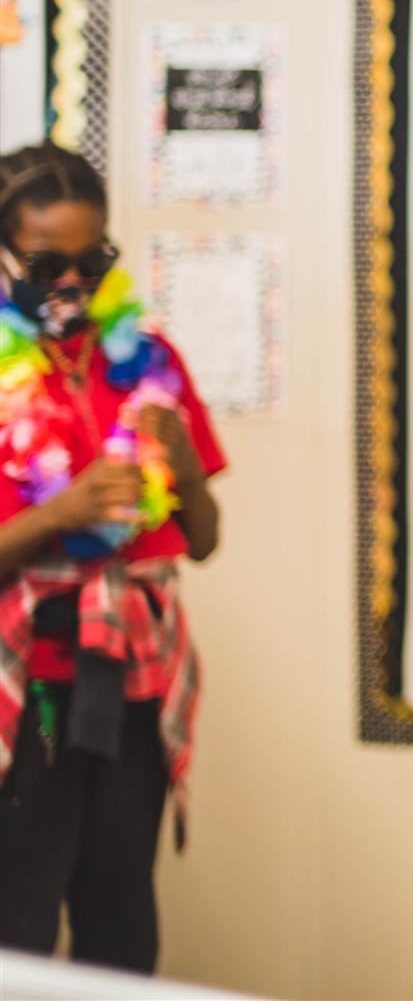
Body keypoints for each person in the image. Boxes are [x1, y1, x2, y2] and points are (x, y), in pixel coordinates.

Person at [0, 144, 227, 975]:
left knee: (121, 926)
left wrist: (187, 464)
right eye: (46, 263)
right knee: (15, 925)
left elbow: (200, 540)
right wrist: (57, 514)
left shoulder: (148, 358)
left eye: (91, 262)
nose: (71, 284)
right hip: (19, 700)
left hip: (132, 684)